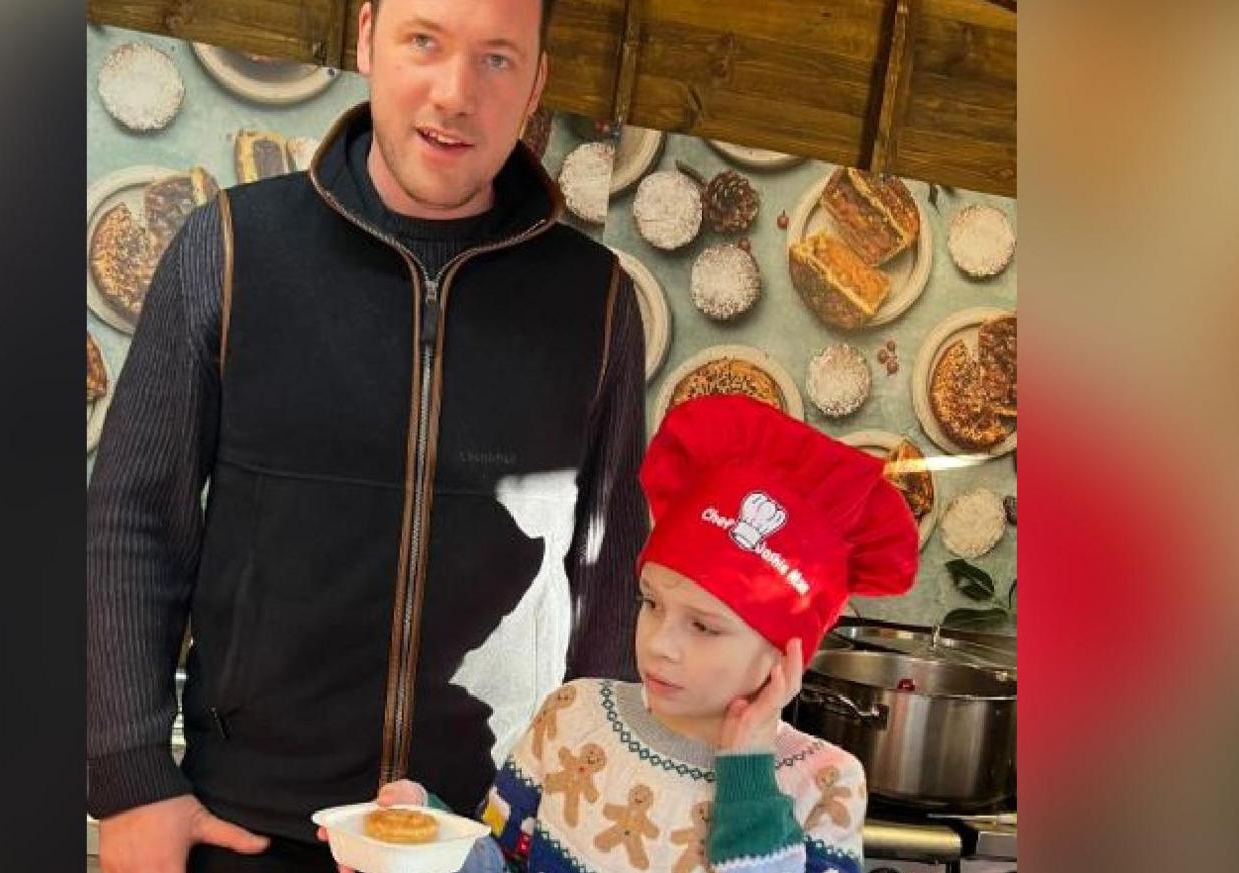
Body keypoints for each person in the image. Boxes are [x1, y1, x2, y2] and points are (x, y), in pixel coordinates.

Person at [86, 0, 648, 870]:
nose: (456, 93)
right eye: (425, 40)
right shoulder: (231, 249)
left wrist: (594, 809)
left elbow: (608, 577)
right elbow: (131, 522)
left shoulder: (598, 302)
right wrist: (128, 779)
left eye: (498, 59)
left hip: (485, 844)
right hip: (248, 830)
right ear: (367, 38)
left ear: (537, 81)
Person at [341, 394, 919, 873]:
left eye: (703, 626)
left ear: (785, 654)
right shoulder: (574, 714)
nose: (659, 643)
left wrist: (746, 770)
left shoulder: (824, 785)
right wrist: (428, 840)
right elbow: (506, 863)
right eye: (651, 603)